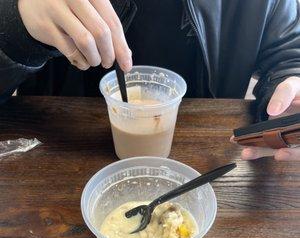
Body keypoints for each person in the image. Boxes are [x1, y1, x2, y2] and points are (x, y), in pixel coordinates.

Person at [1, 0, 300, 161]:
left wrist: (291, 83)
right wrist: (16, 23)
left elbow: (287, 49)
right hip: (55, 159)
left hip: (201, 168)